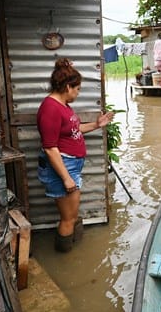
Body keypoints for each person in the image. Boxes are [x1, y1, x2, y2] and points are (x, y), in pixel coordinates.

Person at [37, 58, 115, 252]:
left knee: (71, 216)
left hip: (71, 166)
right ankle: (64, 255)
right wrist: (66, 178)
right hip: (64, 168)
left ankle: (71, 251)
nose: (78, 93)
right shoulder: (50, 108)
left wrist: (97, 124)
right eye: (77, 89)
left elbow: (74, 129)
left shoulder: (63, 106)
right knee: (67, 218)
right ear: (68, 86)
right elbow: (50, 148)